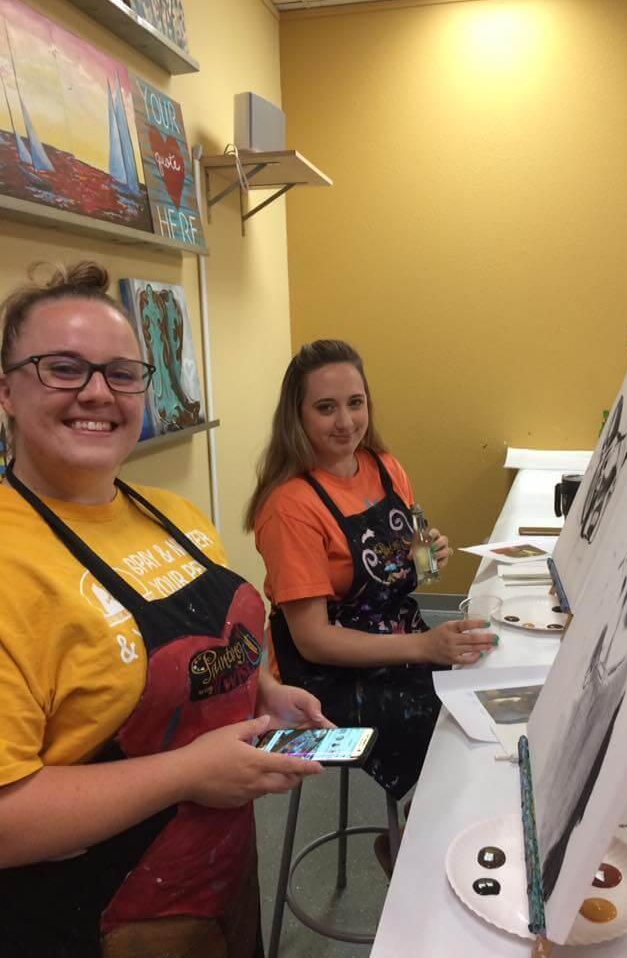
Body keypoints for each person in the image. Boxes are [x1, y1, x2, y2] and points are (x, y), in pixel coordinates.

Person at [0, 261, 331, 958]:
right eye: (63, 369)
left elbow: (218, 644)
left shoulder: (174, 515)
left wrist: (261, 691)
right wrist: (188, 772)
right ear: (6, 390)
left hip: (217, 881)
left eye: (122, 373)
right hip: (94, 919)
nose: (98, 392)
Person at [244, 339, 495, 805]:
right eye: (326, 408)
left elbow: (417, 562)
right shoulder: (289, 507)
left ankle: (433, 822)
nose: (345, 421)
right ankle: (416, 834)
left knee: (483, 685)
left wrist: (427, 554)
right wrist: (425, 646)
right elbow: (313, 640)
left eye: (355, 403)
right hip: (324, 676)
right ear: (297, 416)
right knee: (449, 726)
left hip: (397, 639)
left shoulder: (385, 467)